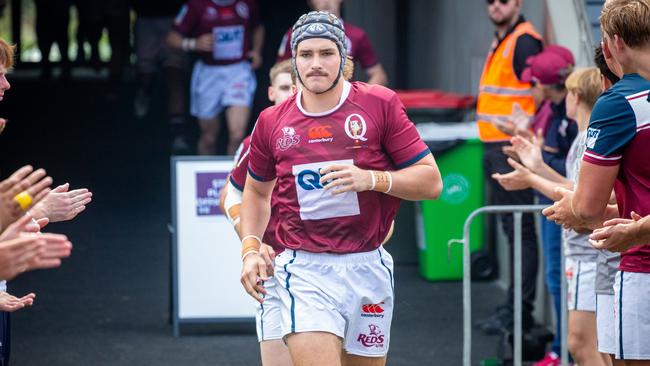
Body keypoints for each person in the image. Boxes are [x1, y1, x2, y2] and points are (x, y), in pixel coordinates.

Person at [239, 11, 441, 366]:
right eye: (306, 54)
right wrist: (250, 249)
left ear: (344, 59)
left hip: (368, 266)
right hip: (305, 269)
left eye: (326, 53)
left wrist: (372, 179)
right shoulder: (272, 121)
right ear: (294, 61)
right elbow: (255, 192)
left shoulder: (380, 104)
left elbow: (431, 182)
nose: (316, 64)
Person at [544, 0, 650, 363]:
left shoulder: (618, 103)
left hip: (644, 268)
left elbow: (587, 207)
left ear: (613, 44)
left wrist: (573, 210)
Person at [493, 67, 609, 365]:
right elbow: (573, 187)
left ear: (577, 96)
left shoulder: (588, 139)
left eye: (568, 92)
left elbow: (581, 196)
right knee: (583, 344)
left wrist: (532, 177)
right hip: (583, 253)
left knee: (583, 344)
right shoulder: (582, 139)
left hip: (589, 254)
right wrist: (537, 166)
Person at [474, 0, 543, 337]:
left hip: (512, 148)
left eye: (503, 0)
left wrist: (527, 128)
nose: (496, 5)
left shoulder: (524, 40)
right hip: (497, 147)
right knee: (512, 228)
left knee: (520, 229)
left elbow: (540, 93)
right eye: (490, 1)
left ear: (517, 3)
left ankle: (520, 314)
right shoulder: (503, 38)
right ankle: (514, 309)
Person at [167, 0, 264, 155]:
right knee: (209, 137)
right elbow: (171, 38)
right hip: (208, 72)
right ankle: (205, 176)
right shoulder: (196, 5)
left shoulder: (247, 3)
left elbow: (258, 26)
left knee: (237, 134)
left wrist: (257, 51)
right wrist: (192, 43)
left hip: (238, 71)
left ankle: (233, 178)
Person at [276, 0, 388, 86]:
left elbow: (378, 75)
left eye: (327, 53)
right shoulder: (295, 34)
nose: (326, 1)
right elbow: (280, 72)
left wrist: (358, 97)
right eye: (306, 54)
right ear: (311, 1)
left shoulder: (356, 35)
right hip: (307, 99)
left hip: (344, 103)